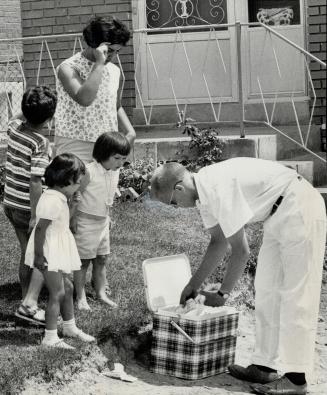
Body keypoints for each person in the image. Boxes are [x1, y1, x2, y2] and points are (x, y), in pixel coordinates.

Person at [150, 158, 326, 395]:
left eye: (172, 203)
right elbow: (218, 241)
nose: (176, 208)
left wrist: (223, 294)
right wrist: (193, 285)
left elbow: (241, 252)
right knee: (265, 289)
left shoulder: (216, 187)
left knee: (297, 294)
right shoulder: (203, 193)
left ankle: (297, 380)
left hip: (299, 205)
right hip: (276, 215)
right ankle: (264, 366)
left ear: (179, 189)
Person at [24, 154, 95, 348]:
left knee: (69, 288)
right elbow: (40, 229)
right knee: (58, 292)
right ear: (66, 180)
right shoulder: (52, 200)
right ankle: (50, 337)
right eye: (77, 183)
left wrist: (72, 206)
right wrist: (39, 255)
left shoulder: (60, 197)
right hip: (48, 250)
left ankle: (69, 327)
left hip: (56, 246)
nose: (79, 187)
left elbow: (61, 221)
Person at [3, 85, 57, 325]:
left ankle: (26, 300)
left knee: (26, 252)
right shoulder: (41, 144)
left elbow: (15, 118)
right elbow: (36, 180)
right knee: (39, 254)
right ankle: (29, 304)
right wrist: (36, 214)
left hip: (10, 203)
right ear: (49, 118)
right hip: (28, 207)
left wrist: (27, 109)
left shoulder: (14, 129)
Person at [54, 15, 136, 162]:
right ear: (94, 43)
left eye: (117, 51)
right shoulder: (68, 68)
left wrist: (130, 132)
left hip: (107, 145)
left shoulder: (114, 71)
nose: (112, 56)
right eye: (110, 50)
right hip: (75, 144)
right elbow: (85, 99)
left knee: (105, 185)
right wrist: (99, 64)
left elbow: (115, 105)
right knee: (74, 184)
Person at [72, 132, 130, 311]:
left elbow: (108, 195)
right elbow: (75, 193)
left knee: (102, 259)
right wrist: (72, 217)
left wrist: (108, 215)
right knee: (83, 261)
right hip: (85, 222)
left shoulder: (115, 171)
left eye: (124, 159)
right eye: (117, 158)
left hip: (102, 222)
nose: (121, 163)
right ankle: (80, 297)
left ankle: (101, 293)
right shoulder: (89, 171)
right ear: (103, 154)